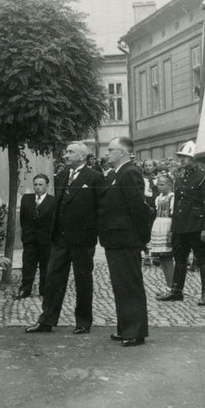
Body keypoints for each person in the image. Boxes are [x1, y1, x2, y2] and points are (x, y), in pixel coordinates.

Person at [25, 141, 103, 334]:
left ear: (83, 156)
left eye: (70, 152)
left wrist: (92, 232)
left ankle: (83, 321)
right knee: (53, 279)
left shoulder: (94, 177)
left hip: (82, 239)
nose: (66, 155)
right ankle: (47, 320)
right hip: (60, 238)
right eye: (66, 152)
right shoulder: (61, 176)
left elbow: (100, 208)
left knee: (83, 280)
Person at [98, 137, 150, 346]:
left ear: (122, 152)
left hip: (126, 239)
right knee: (121, 286)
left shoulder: (129, 173)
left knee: (129, 286)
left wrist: (141, 238)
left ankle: (135, 332)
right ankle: (125, 327)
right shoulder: (119, 173)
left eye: (111, 150)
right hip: (117, 238)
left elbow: (137, 208)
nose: (107, 153)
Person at [156, 141, 205, 305]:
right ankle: (177, 290)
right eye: (181, 157)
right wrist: (173, 227)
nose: (182, 160)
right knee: (180, 258)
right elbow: (177, 204)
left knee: (202, 259)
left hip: (197, 225)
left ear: (194, 158)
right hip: (181, 224)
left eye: (186, 157)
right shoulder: (180, 176)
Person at [15, 174, 55, 299]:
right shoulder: (26, 199)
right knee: (28, 265)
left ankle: (44, 289)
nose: (37, 187)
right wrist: (26, 235)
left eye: (41, 185)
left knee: (45, 265)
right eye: (35, 184)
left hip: (45, 239)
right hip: (30, 239)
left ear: (47, 186)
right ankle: (25, 289)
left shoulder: (53, 201)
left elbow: (54, 222)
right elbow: (23, 219)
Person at [149, 172, 176, 295]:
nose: (159, 187)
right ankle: (168, 284)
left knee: (168, 256)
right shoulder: (158, 198)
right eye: (158, 185)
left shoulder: (172, 197)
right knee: (162, 257)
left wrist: (171, 231)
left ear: (170, 185)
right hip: (158, 225)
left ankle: (172, 285)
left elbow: (174, 214)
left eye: (162, 184)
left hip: (167, 225)